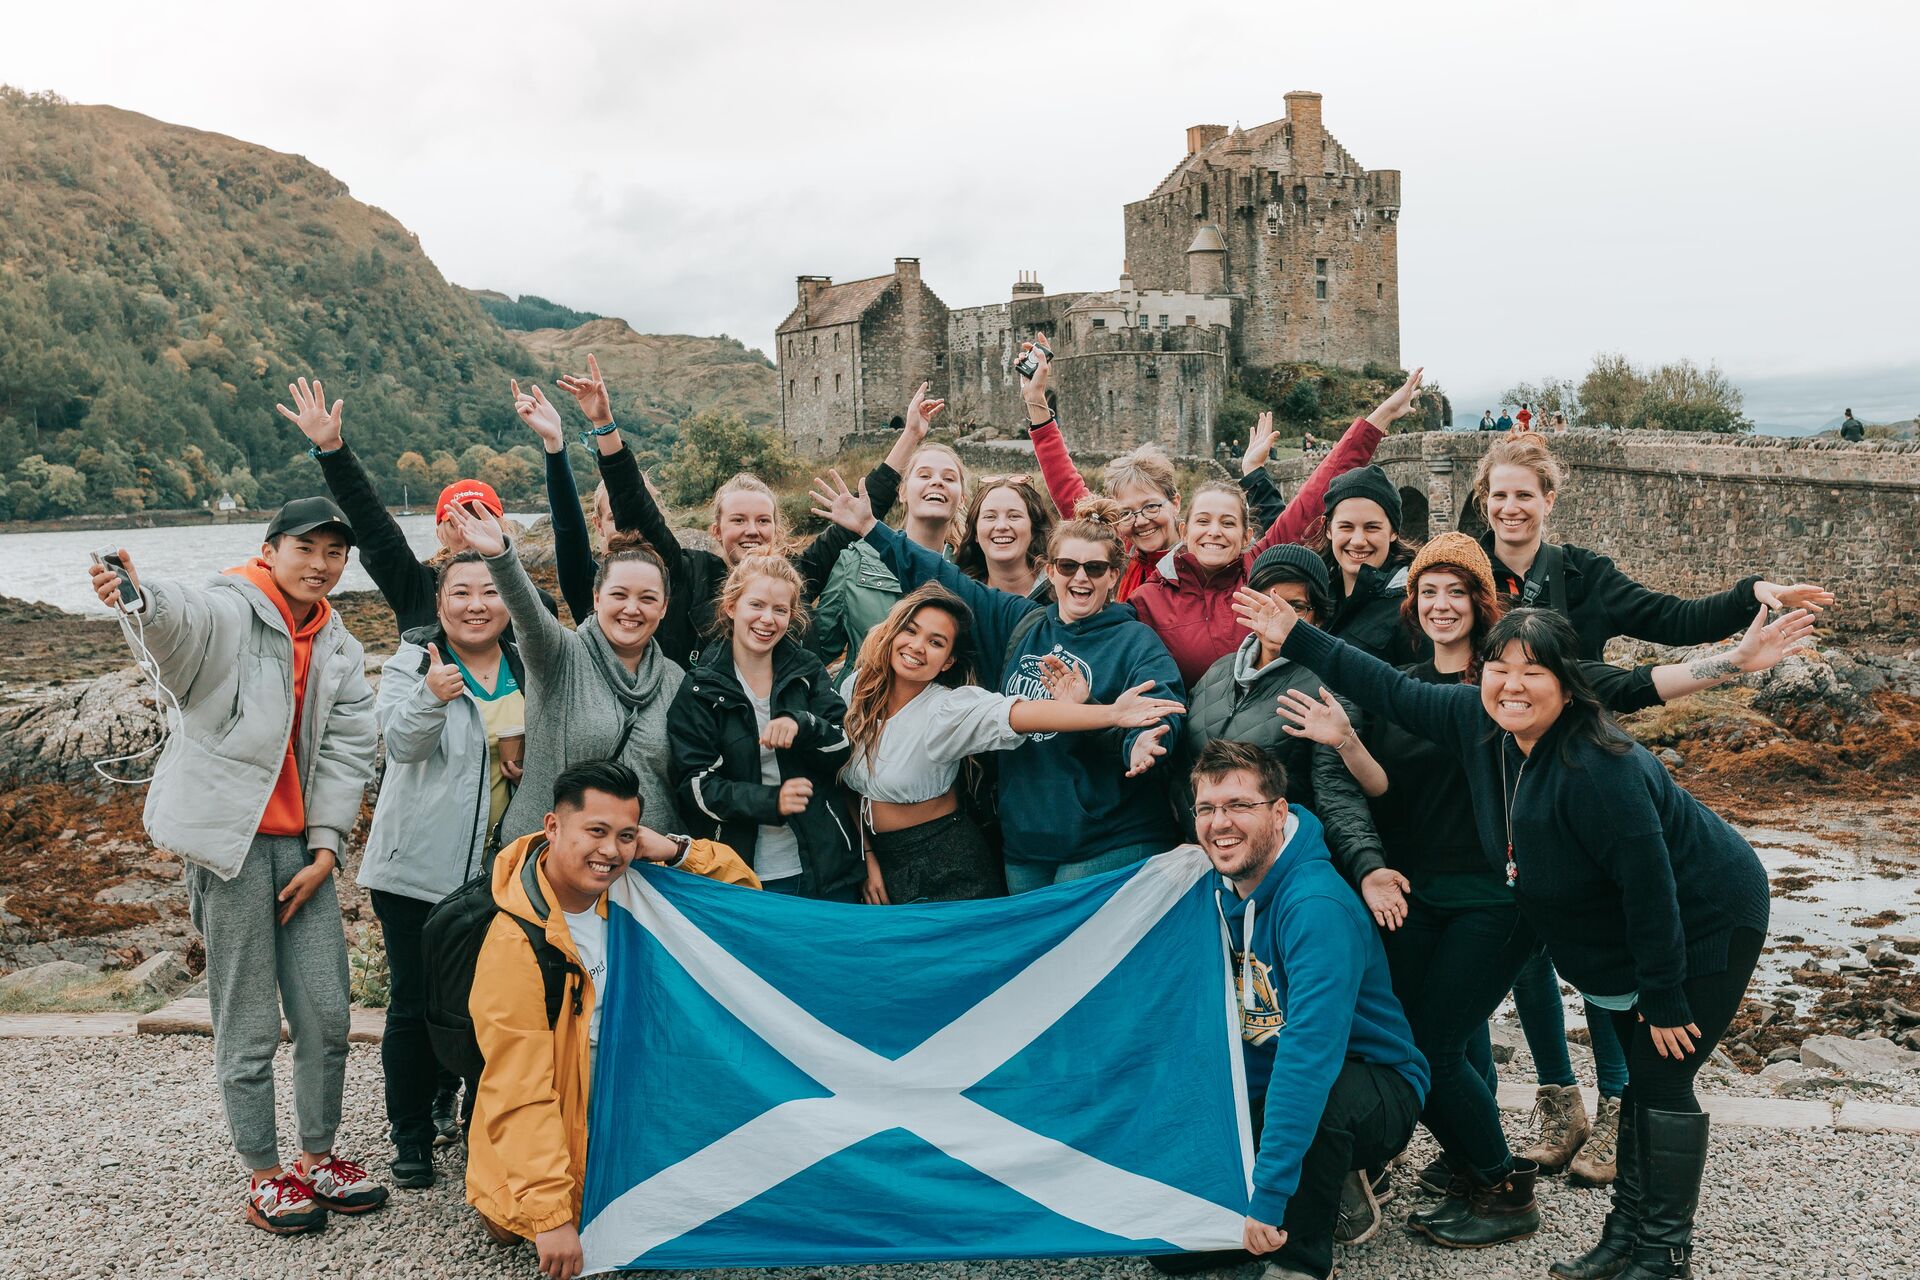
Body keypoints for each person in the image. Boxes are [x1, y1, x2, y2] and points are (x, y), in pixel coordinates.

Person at [1275, 534, 1813, 1246]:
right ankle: (1625, 1238)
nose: (1512, 685)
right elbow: (1382, 685)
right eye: (1500, 670)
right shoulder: (1476, 715)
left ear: (1567, 684)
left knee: (1657, 1080)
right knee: (1625, 1078)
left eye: (1532, 673)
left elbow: (1650, 879)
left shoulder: (1601, 766)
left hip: (1708, 909)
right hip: (1575, 914)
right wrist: (1296, 635)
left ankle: (1639, 1241)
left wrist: (1665, 992)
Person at [86, 500, 385, 1234]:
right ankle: (263, 1172)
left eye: (334, 553)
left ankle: (319, 1157)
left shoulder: (340, 644)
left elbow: (347, 752)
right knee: (247, 1017)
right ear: (270, 549)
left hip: (303, 852)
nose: (320, 563)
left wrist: (326, 850)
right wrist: (139, 594)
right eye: (305, 548)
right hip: (232, 847)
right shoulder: (231, 605)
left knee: (326, 1010)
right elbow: (178, 621)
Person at [812, 473, 1186, 892]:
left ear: (1114, 575)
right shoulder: (1019, 622)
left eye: (1095, 568)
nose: (1080, 577)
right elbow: (940, 575)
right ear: (1051, 570)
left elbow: (1160, 705)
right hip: (1026, 842)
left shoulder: (1134, 640)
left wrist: (1143, 741)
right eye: (1068, 566)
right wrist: (870, 529)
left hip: (1107, 836)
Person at [467, 760, 758, 1280]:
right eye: (595, 831)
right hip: (564, 1096)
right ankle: (513, 1193)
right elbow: (519, 1087)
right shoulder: (515, 942)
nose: (610, 851)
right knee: (526, 1224)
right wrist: (553, 1217)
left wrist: (672, 849)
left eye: (625, 836)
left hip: (633, 1085)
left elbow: (743, 896)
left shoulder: (636, 890)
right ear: (553, 827)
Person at [1188, 740, 1427, 1280]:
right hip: (1272, 1077)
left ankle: (1302, 1261)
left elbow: (1308, 1057)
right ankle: (1321, 1180)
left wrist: (1269, 1195)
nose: (1219, 823)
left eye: (1239, 806)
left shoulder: (1315, 906)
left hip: (1371, 1083)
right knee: (1174, 1255)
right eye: (1206, 809)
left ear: (1277, 813)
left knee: (1318, 1102)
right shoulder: (1215, 889)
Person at [535, 359, 932, 670]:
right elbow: (634, 506)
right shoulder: (689, 573)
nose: (752, 532)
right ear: (716, 529)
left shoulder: (800, 574)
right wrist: (604, 424)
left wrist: (911, 435)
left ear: (778, 528)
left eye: (763, 521)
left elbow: (868, 507)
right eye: (738, 521)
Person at [839, 584, 1186, 903]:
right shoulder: (856, 691)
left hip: (942, 862)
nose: (917, 647)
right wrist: (867, 856)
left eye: (936, 642)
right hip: (877, 857)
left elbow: (1021, 714)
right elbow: (849, 783)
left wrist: (1112, 714)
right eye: (910, 631)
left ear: (948, 662)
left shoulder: (948, 709)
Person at [357, 551, 523, 1188]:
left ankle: (478, 1117)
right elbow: (400, 744)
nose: (476, 604)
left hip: (495, 876)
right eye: (461, 592)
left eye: (489, 591)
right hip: (416, 872)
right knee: (413, 1003)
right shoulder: (412, 662)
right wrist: (429, 698)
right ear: (440, 600)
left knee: (486, 1003)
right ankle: (413, 1134)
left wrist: (522, 758)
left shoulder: (524, 665)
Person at [1019, 335, 1372, 602]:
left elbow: (1306, 505)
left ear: (1176, 503)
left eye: (1151, 506)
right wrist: (1036, 400)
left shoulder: (1212, 553)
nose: (1140, 520)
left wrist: (1372, 426)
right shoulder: (1112, 554)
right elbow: (1066, 486)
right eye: (1127, 513)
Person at [1131, 376, 1426, 686]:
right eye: (1203, 521)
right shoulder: (1149, 598)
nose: (1214, 532)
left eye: (1228, 522)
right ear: (1185, 530)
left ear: (1247, 537)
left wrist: (1380, 418)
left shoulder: (1261, 568)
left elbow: (1314, 497)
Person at [1473, 432, 1833, 660]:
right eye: (1499, 496)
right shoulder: (1462, 575)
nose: (1510, 508)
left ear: (1548, 501)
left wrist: (1749, 593)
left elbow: (1675, 620)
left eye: (1524, 495)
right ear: (1486, 499)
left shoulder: (1586, 575)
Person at [446, 505, 686, 846]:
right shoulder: (559, 657)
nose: (632, 609)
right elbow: (528, 614)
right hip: (550, 860)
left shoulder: (675, 680)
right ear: (597, 597)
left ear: (663, 608)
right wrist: (501, 556)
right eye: (619, 595)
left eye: (647, 599)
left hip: (646, 864)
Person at [1172, 544, 1387, 904]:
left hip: (1277, 873)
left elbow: (1337, 791)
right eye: (1267, 601)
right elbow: (1179, 764)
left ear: (1318, 616)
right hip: (1205, 862)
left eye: (1296, 607)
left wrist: (1368, 865)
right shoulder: (1217, 673)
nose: (1278, 616)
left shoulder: (1328, 686)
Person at [277, 375, 558, 632]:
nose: (469, 528)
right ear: (440, 533)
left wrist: (555, 443)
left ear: (503, 527)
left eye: (481, 517)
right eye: (457, 520)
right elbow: (375, 528)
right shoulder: (416, 587)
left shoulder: (534, 603)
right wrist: (332, 450)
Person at [667, 556, 861, 898]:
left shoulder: (806, 669)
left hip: (825, 863)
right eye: (755, 605)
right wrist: (771, 801)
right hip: (741, 870)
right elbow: (696, 786)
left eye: (780, 610)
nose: (767, 619)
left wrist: (803, 725)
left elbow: (845, 747)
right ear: (730, 607)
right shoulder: (699, 687)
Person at [811, 384, 965, 666]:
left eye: (949, 478)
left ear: (961, 497)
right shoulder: (855, 561)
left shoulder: (969, 570)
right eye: (924, 475)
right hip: (863, 706)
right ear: (902, 492)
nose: (937, 482)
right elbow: (817, 651)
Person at [1314, 463, 1426, 665]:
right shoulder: (1314, 594)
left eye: (1372, 528)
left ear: (1393, 532)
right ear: (1328, 529)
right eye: (1346, 527)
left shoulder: (1413, 606)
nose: (1358, 541)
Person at [953, 472, 1055, 602]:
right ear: (975, 533)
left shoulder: (1062, 593)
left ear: (1034, 529)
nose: (1001, 526)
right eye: (990, 517)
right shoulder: (959, 598)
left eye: (1014, 516)